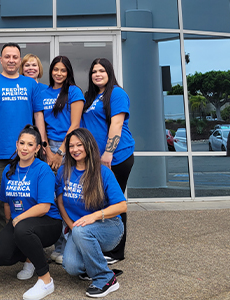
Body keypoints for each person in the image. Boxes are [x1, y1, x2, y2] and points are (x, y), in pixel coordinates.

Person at [0, 42, 46, 236]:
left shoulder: (31, 84)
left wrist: (42, 145)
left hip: (28, 153)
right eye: (7, 56)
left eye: (15, 57)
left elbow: (38, 115)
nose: (11, 60)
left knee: (30, 199)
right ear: (0, 60)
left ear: (20, 60)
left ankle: (26, 246)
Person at [0, 125, 62, 300]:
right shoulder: (9, 171)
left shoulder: (43, 170)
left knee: (23, 229)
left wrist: (19, 219)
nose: (24, 148)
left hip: (48, 221)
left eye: (30, 144)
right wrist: (10, 223)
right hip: (21, 223)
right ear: (16, 144)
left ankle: (45, 280)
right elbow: (7, 202)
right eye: (22, 143)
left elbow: (45, 206)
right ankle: (30, 257)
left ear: (37, 148)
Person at [56, 128, 127, 298]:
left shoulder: (103, 173)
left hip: (109, 227)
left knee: (82, 231)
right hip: (79, 228)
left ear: (88, 145)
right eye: (71, 146)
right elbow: (59, 201)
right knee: (71, 267)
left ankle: (106, 278)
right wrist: (71, 225)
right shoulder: (63, 171)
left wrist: (93, 216)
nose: (74, 149)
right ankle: (95, 263)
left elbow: (122, 206)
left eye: (79, 145)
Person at [82, 58, 134, 264]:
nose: (97, 74)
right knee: (99, 201)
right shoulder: (93, 96)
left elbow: (117, 123)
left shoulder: (117, 93)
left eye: (101, 70)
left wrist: (108, 153)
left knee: (114, 202)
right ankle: (103, 246)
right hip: (97, 159)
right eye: (94, 71)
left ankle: (116, 252)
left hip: (116, 157)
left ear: (109, 72)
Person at [39, 55, 85, 264]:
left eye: (63, 70)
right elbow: (41, 123)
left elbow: (74, 124)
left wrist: (60, 153)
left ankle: (67, 246)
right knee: (51, 197)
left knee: (66, 197)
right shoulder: (43, 92)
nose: (58, 73)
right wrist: (47, 150)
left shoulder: (73, 92)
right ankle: (57, 245)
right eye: (55, 69)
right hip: (47, 148)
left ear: (68, 73)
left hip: (69, 147)